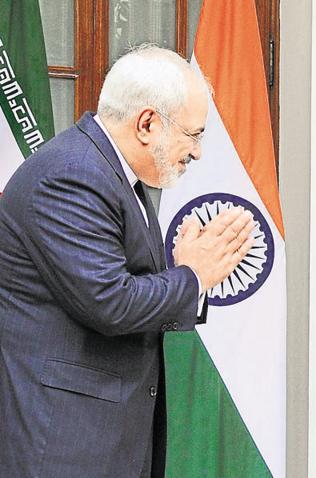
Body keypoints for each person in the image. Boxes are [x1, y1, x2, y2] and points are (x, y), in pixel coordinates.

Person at [0, 46, 255, 478]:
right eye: (193, 134)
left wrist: (183, 272)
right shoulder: (73, 175)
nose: (197, 152)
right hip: (65, 446)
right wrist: (192, 276)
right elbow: (110, 303)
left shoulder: (112, 174)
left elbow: (118, 288)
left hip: (103, 441)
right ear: (148, 123)